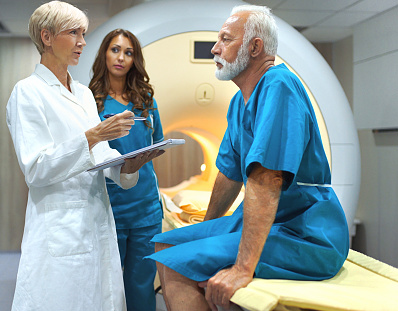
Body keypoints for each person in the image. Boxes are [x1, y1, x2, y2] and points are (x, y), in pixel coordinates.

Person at [147, 5, 349, 311]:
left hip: (304, 231)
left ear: (255, 47)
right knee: (165, 243)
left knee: (175, 264)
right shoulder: (238, 103)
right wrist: (205, 231)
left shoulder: (279, 86)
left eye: (225, 39)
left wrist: (242, 268)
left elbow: (267, 178)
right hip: (273, 224)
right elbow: (229, 174)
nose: (215, 48)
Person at [5, 2, 163, 310]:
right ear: (46, 37)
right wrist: (93, 135)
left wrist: (127, 167)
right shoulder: (27, 92)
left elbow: (100, 155)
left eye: (84, 33)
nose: (82, 42)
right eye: (74, 33)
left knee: (105, 299)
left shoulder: (83, 94)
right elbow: (36, 169)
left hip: (96, 220)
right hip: (60, 226)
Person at [89, 29, 164, 311]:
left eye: (128, 52)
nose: (121, 57)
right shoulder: (90, 100)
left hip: (146, 207)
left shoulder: (145, 99)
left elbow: (158, 144)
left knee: (142, 283)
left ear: (135, 59)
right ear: (104, 54)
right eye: (115, 49)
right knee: (108, 286)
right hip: (110, 206)